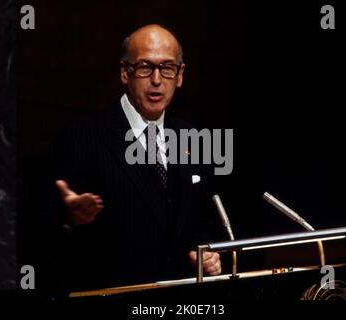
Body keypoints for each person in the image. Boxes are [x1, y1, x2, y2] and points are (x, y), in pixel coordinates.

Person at [47, 24, 224, 292]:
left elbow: (202, 220)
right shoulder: (83, 137)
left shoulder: (192, 137)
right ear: (124, 72)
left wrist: (206, 253)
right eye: (144, 67)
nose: (156, 79)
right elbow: (39, 226)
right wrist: (69, 218)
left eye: (167, 68)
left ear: (180, 75)